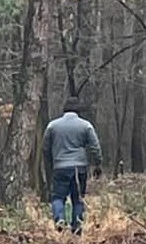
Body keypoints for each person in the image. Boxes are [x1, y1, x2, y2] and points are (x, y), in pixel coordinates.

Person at [43, 96, 102, 234]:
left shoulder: (52, 126)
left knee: (58, 197)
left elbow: (45, 148)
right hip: (79, 167)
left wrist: (51, 163)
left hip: (60, 167)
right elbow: (95, 147)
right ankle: (77, 226)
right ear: (78, 110)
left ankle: (59, 219)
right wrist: (97, 164)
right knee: (78, 198)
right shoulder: (85, 125)